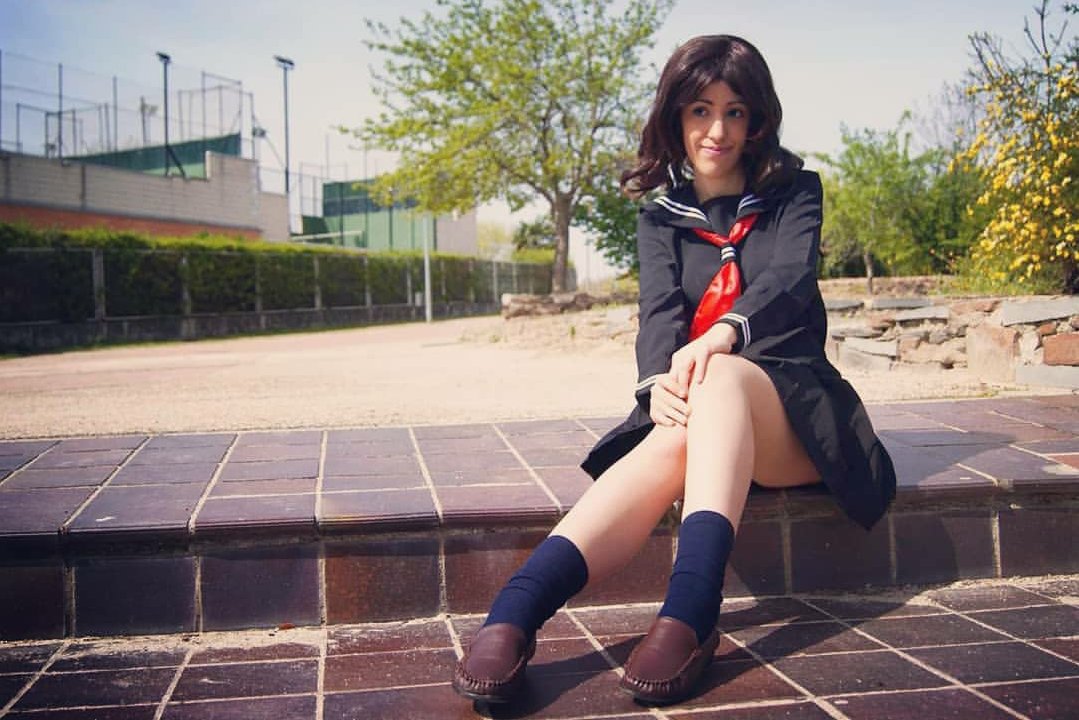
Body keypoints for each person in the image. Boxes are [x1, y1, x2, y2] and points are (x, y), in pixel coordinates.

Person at [452, 34, 896, 707]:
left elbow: (787, 280)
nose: (717, 130)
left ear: (757, 120)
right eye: (700, 110)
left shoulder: (794, 193)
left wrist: (720, 335)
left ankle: (689, 609)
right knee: (674, 433)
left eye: (734, 111)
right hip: (704, 410)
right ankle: (513, 616)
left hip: (795, 411)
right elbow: (658, 314)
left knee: (719, 374)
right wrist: (656, 384)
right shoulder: (659, 218)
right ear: (675, 118)